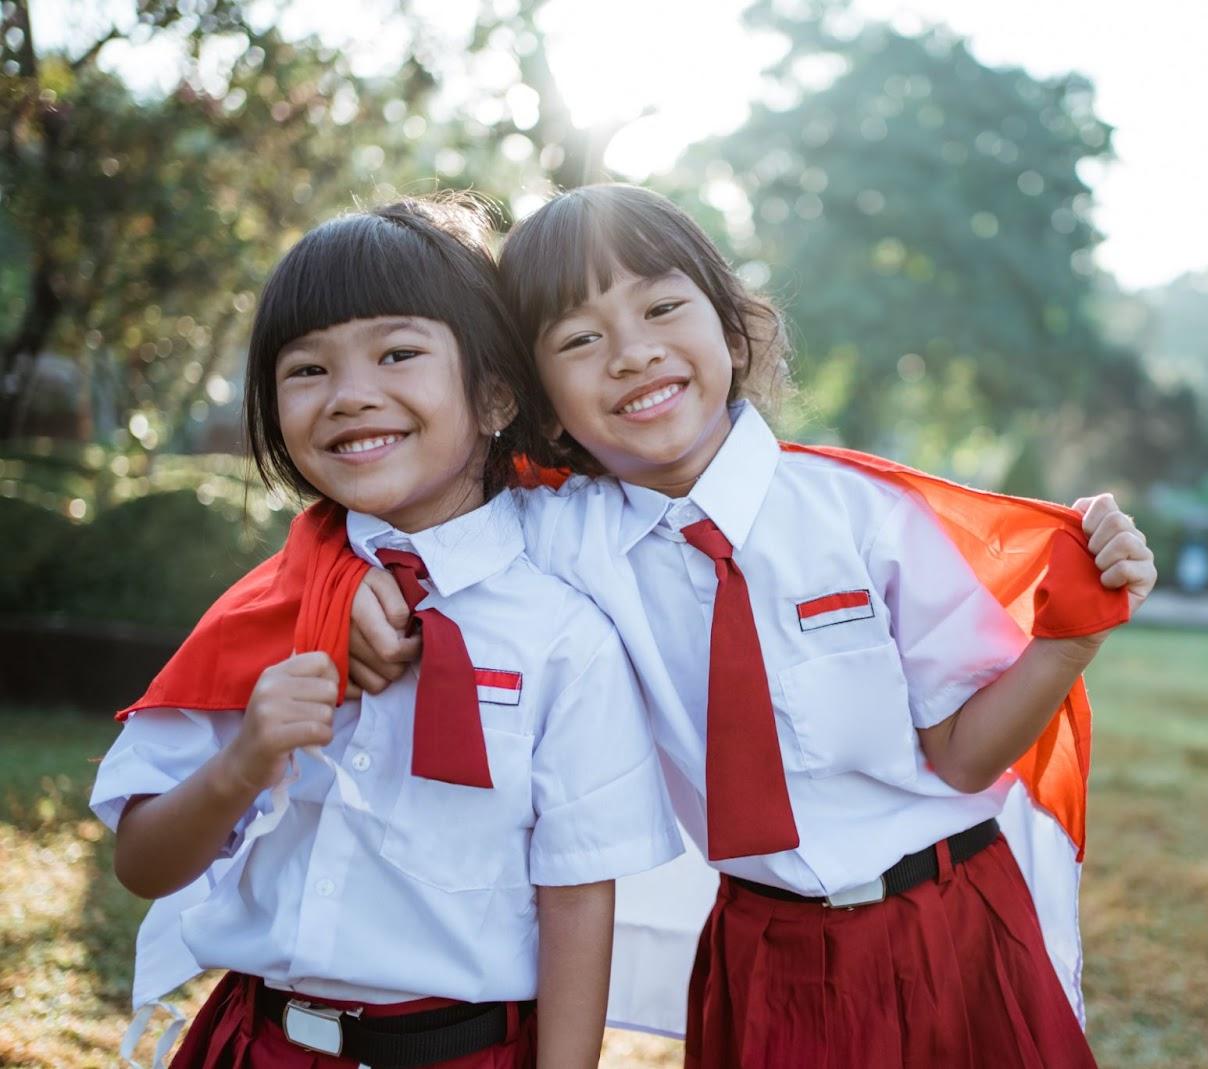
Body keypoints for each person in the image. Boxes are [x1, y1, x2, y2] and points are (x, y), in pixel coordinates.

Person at [353, 184, 1155, 1068]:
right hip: (763, 953)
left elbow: (963, 754)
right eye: (579, 339)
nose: (631, 352)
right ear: (536, 398)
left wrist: (1070, 639)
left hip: (950, 928)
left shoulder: (863, 515)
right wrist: (343, 582)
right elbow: (398, 516)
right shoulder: (556, 538)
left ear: (734, 332)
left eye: (662, 306)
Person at [90, 197, 682, 1069]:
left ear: (493, 394)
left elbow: (578, 896)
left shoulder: (564, 635)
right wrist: (243, 760)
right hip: (261, 1043)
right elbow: (142, 864)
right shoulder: (266, 611)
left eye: (398, 353)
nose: (351, 395)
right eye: (306, 369)